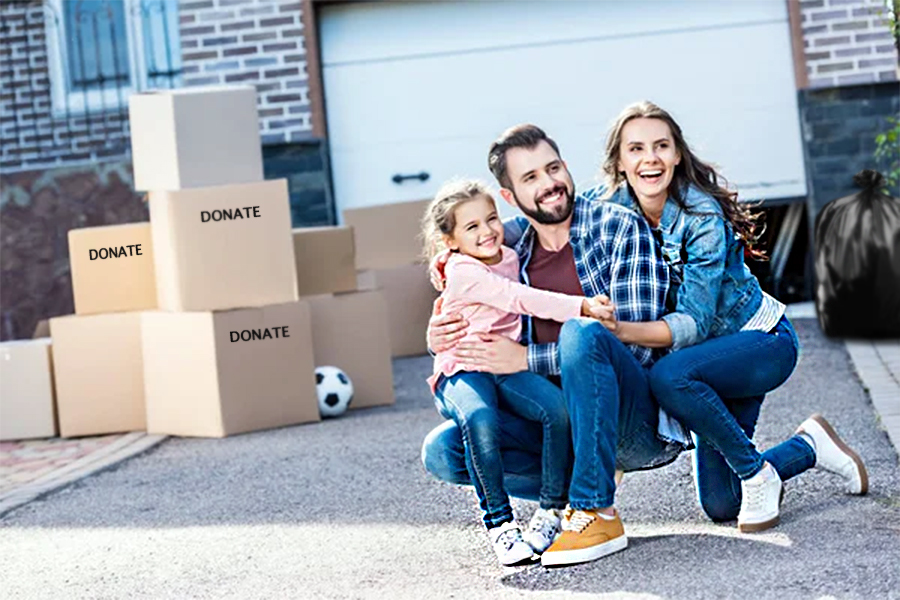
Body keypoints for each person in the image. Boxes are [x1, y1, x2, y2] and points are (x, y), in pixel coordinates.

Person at [422, 124, 690, 567]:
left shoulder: (617, 226)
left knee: (582, 333)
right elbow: (467, 252)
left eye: (553, 168)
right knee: (445, 450)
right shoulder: (511, 246)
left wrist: (526, 357)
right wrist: (439, 328)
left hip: (630, 419)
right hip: (560, 419)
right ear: (510, 198)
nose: (548, 184)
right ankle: (555, 504)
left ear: (566, 167)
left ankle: (593, 509)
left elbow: (638, 342)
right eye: (529, 178)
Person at [596, 100, 868, 532]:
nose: (650, 158)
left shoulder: (698, 214)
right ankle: (810, 445)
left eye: (661, 145)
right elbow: (551, 222)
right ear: (619, 161)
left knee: (668, 377)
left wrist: (616, 330)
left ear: (677, 154)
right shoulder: (607, 210)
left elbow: (693, 324)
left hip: (759, 343)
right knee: (722, 505)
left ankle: (758, 474)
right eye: (636, 149)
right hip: (707, 365)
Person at [420, 178, 611, 565]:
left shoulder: (509, 253)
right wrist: (581, 307)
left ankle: (550, 511)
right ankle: (501, 526)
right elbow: (517, 298)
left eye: (491, 219)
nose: (487, 231)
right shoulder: (460, 270)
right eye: (471, 227)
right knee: (480, 418)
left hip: (504, 365)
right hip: (463, 366)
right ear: (451, 240)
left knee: (556, 411)